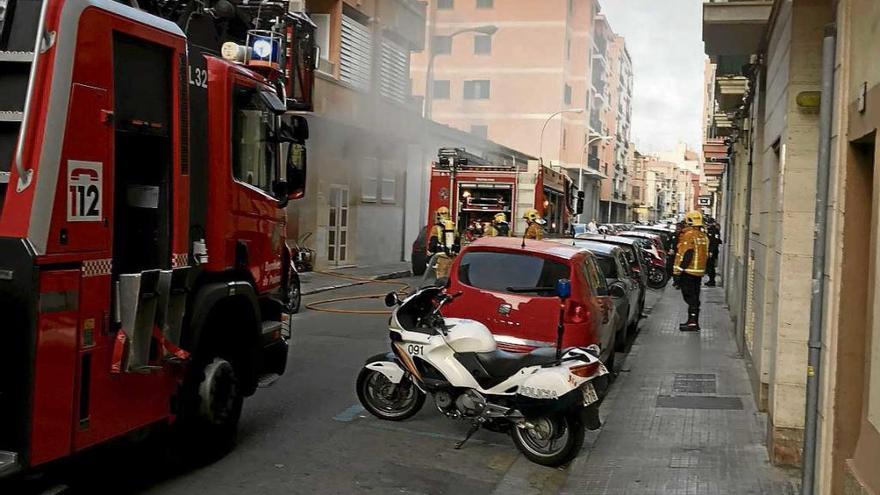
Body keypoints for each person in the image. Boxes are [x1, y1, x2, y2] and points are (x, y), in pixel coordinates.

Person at [674, 211, 709, 331]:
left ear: (689, 221)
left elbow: (687, 254)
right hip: (698, 272)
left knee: (690, 297)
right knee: (694, 296)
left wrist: (678, 272)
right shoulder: (703, 236)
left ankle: (692, 322)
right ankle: (693, 321)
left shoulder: (689, 235)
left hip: (688, 272)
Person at [705, 217, 723, 286]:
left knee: (711, 266)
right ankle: (710, 280)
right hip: (709, 251)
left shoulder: (715, 231)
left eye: (709, 223)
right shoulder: (708, 230)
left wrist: (711, 251)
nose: (708, 224)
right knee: (709, 266)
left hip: (712, 252)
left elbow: (715, 242)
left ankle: (712, 281)